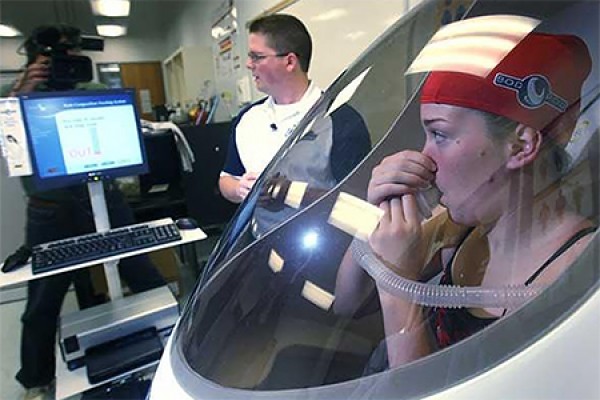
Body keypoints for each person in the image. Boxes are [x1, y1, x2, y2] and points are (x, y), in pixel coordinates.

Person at [335, 31, 594, 369]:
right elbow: (346, 303)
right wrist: (375, 212)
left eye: (439, 134)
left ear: (521, 146)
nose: (423, 157)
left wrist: (396, 286)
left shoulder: (576, 276)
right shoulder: (456, 223)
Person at [2, 25, 166, 400]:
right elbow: (5, 136)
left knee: (144, 276)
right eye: (53, 58)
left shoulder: (90, 91)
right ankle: (35, 380)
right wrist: (23, 89)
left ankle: (176, 345)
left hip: (104, 201)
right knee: (43, 301)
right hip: (50, 210)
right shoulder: (16, 96)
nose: (63, 64)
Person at [219, 14, 323, 204]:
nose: (248, 65)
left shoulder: (335, 116)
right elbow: (226, 179)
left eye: (257, 57)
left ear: (290, 62)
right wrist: (240, 189)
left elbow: (356, 197)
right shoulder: (248, 119)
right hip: (261, 232)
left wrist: (289, 193)